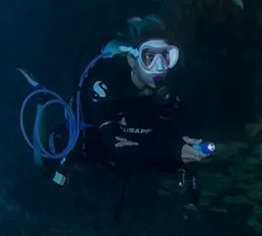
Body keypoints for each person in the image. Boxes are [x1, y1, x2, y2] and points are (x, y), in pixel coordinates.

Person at [76, 16, 210, 173]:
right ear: (132, 60)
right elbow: (114, 148)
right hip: (92, 145)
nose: (160, 67)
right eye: (149, 57)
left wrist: (181, 142)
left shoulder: (171, 86)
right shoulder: (105, 83)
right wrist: (172, 151)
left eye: (166, 56)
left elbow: (169, 127)